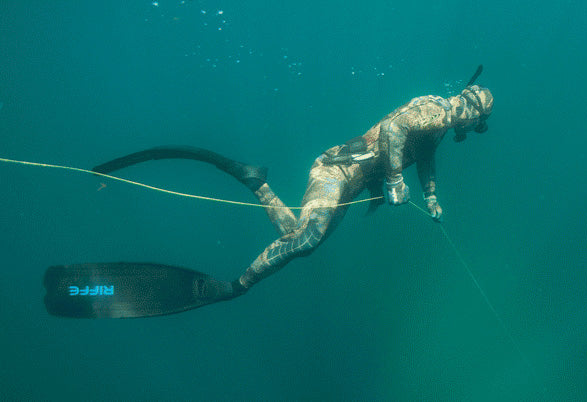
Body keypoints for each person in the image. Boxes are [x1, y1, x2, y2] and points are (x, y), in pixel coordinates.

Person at [91, 81, 493, 297]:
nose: (471, 127)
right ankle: (237, 287)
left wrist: (433, 196)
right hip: (335, 171)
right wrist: (393, 180)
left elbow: (425, 158)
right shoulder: (439, 110)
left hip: (349, 185)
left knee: (298, 238)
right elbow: (393, 128)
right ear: (472, 112)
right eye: (476, 122)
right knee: (310, 238)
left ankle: (255, 181)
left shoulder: (442, 124)